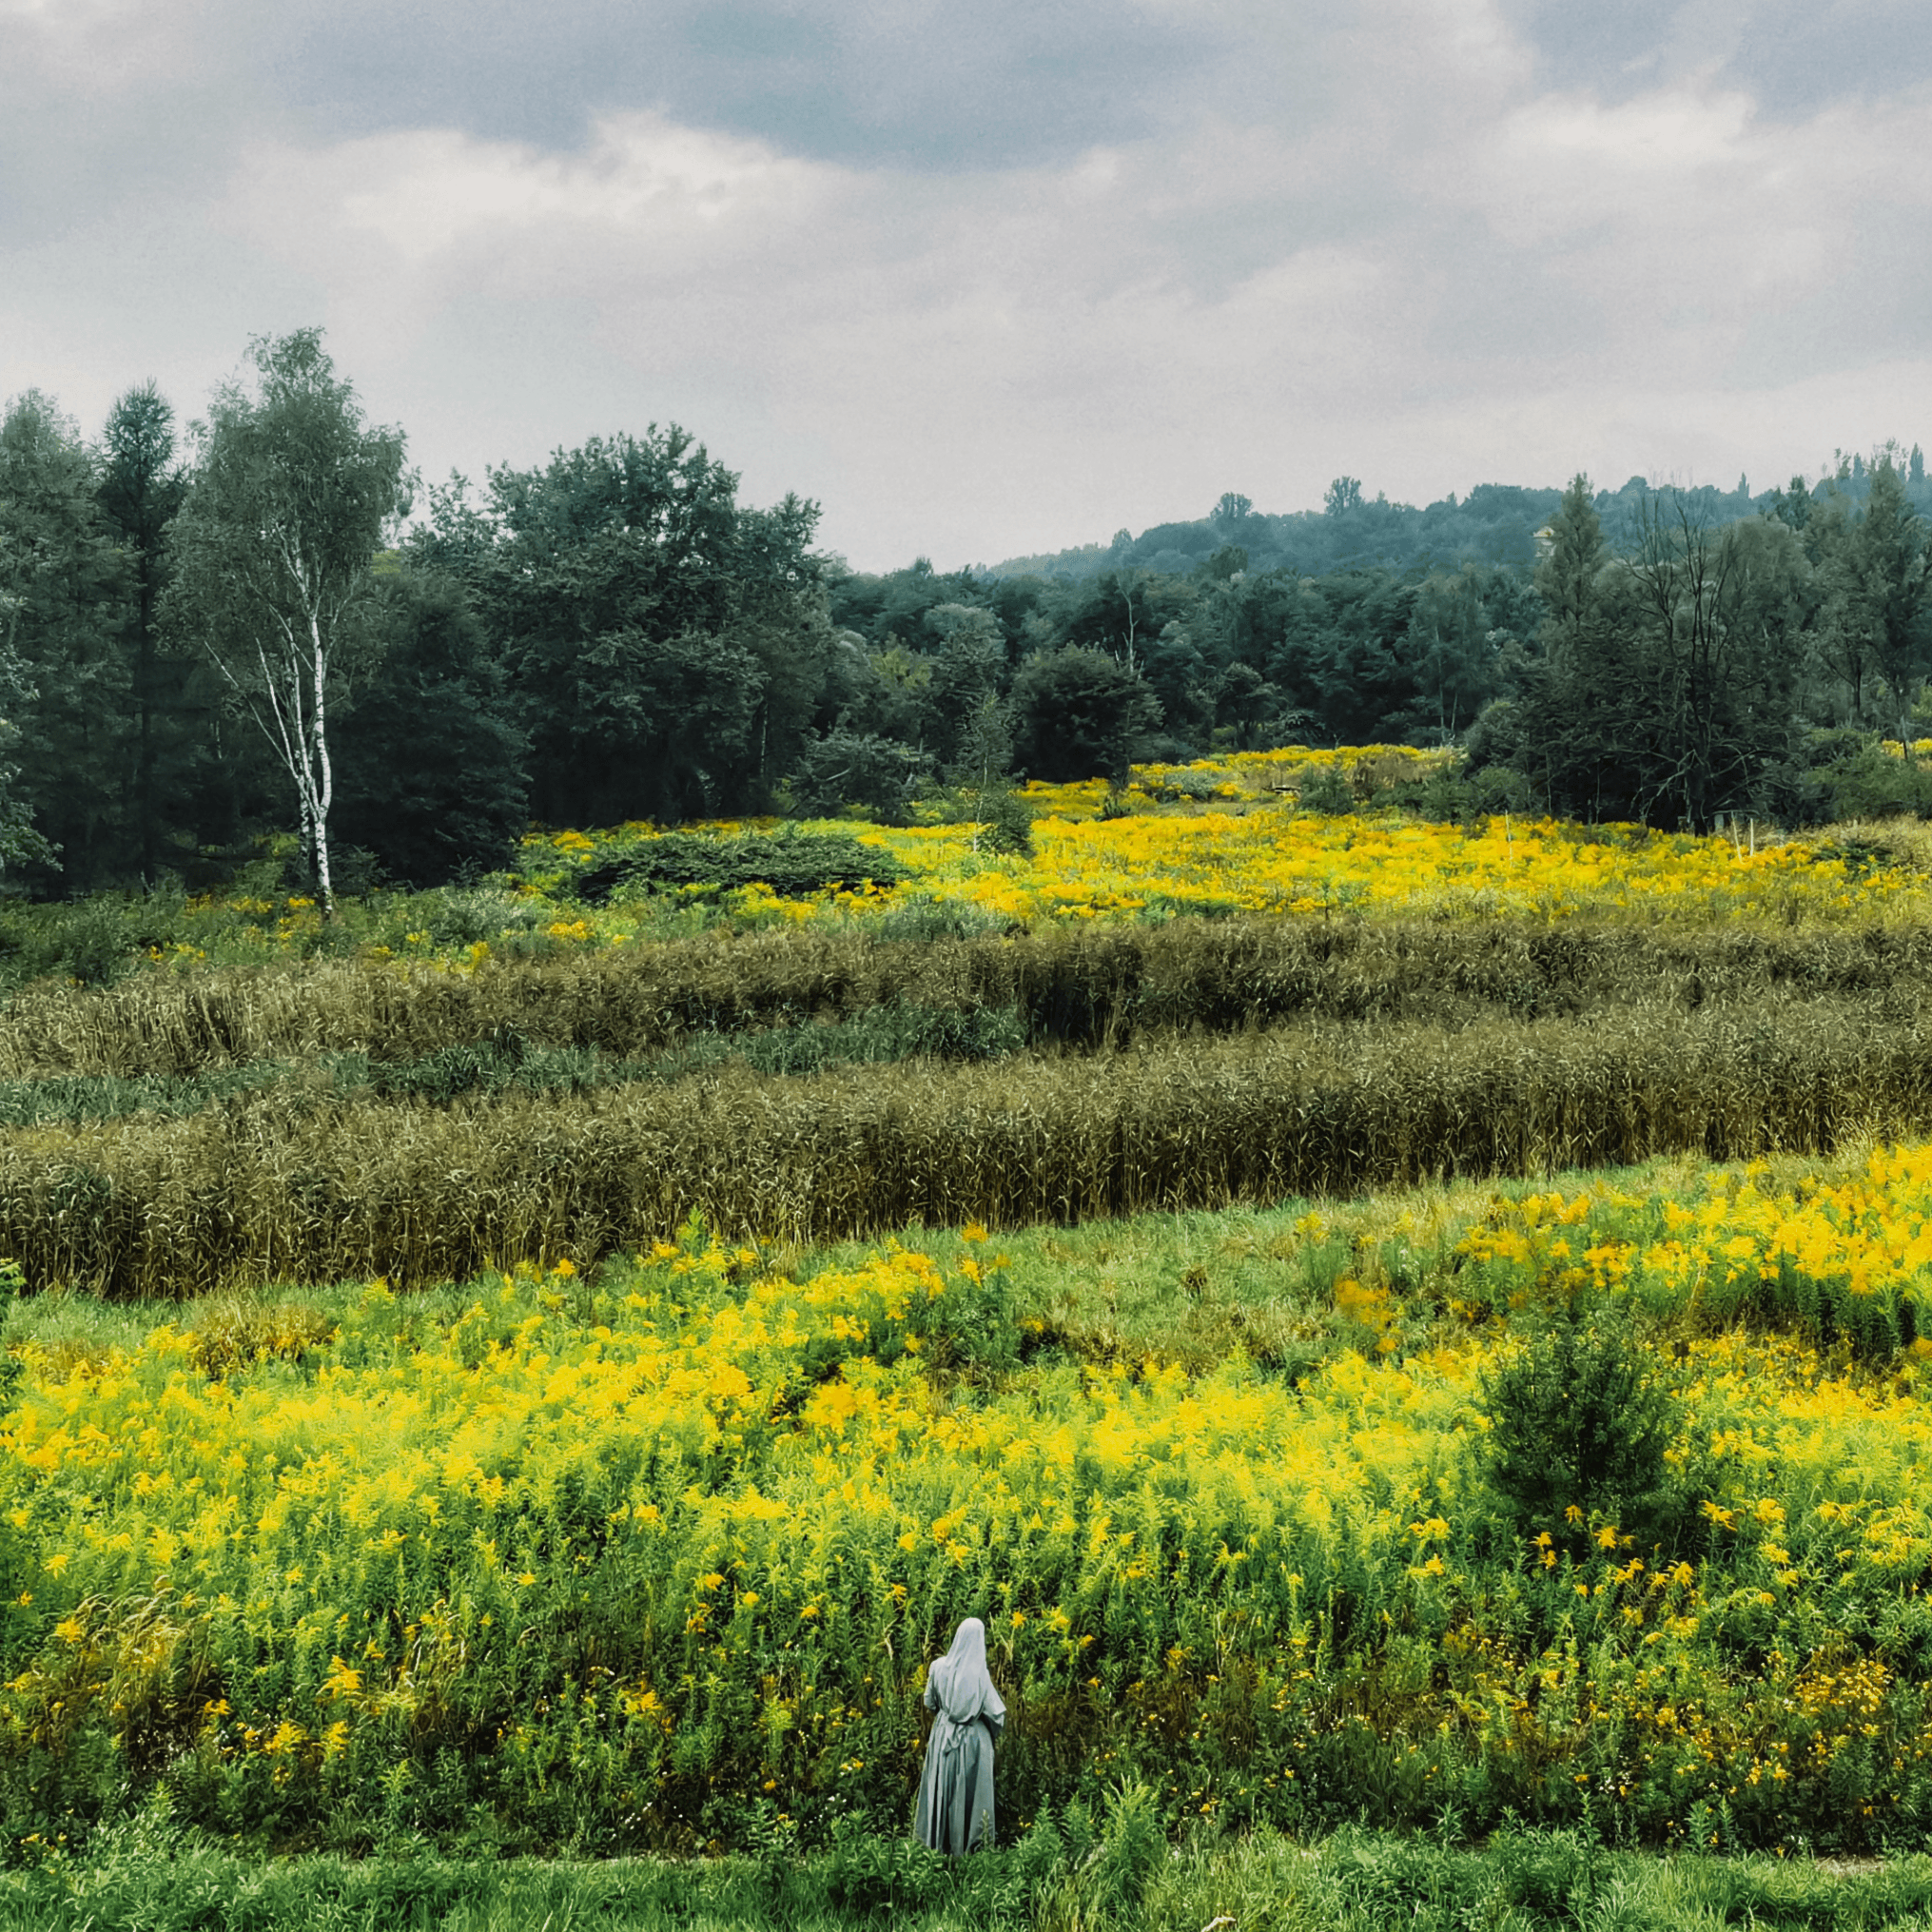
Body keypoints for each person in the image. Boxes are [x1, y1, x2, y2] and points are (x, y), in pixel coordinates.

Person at [914, 1615, 1005, 1854]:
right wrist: (986, 1729)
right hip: (974, 1740)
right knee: (969, 1794)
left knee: (942, 1785)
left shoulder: (937, 1667)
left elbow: (929, 1702)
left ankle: (937, 1845)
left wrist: (946, 1715)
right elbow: (996, 1713)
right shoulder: (980, 1674)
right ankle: (969, 1849)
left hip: (943, 1736)